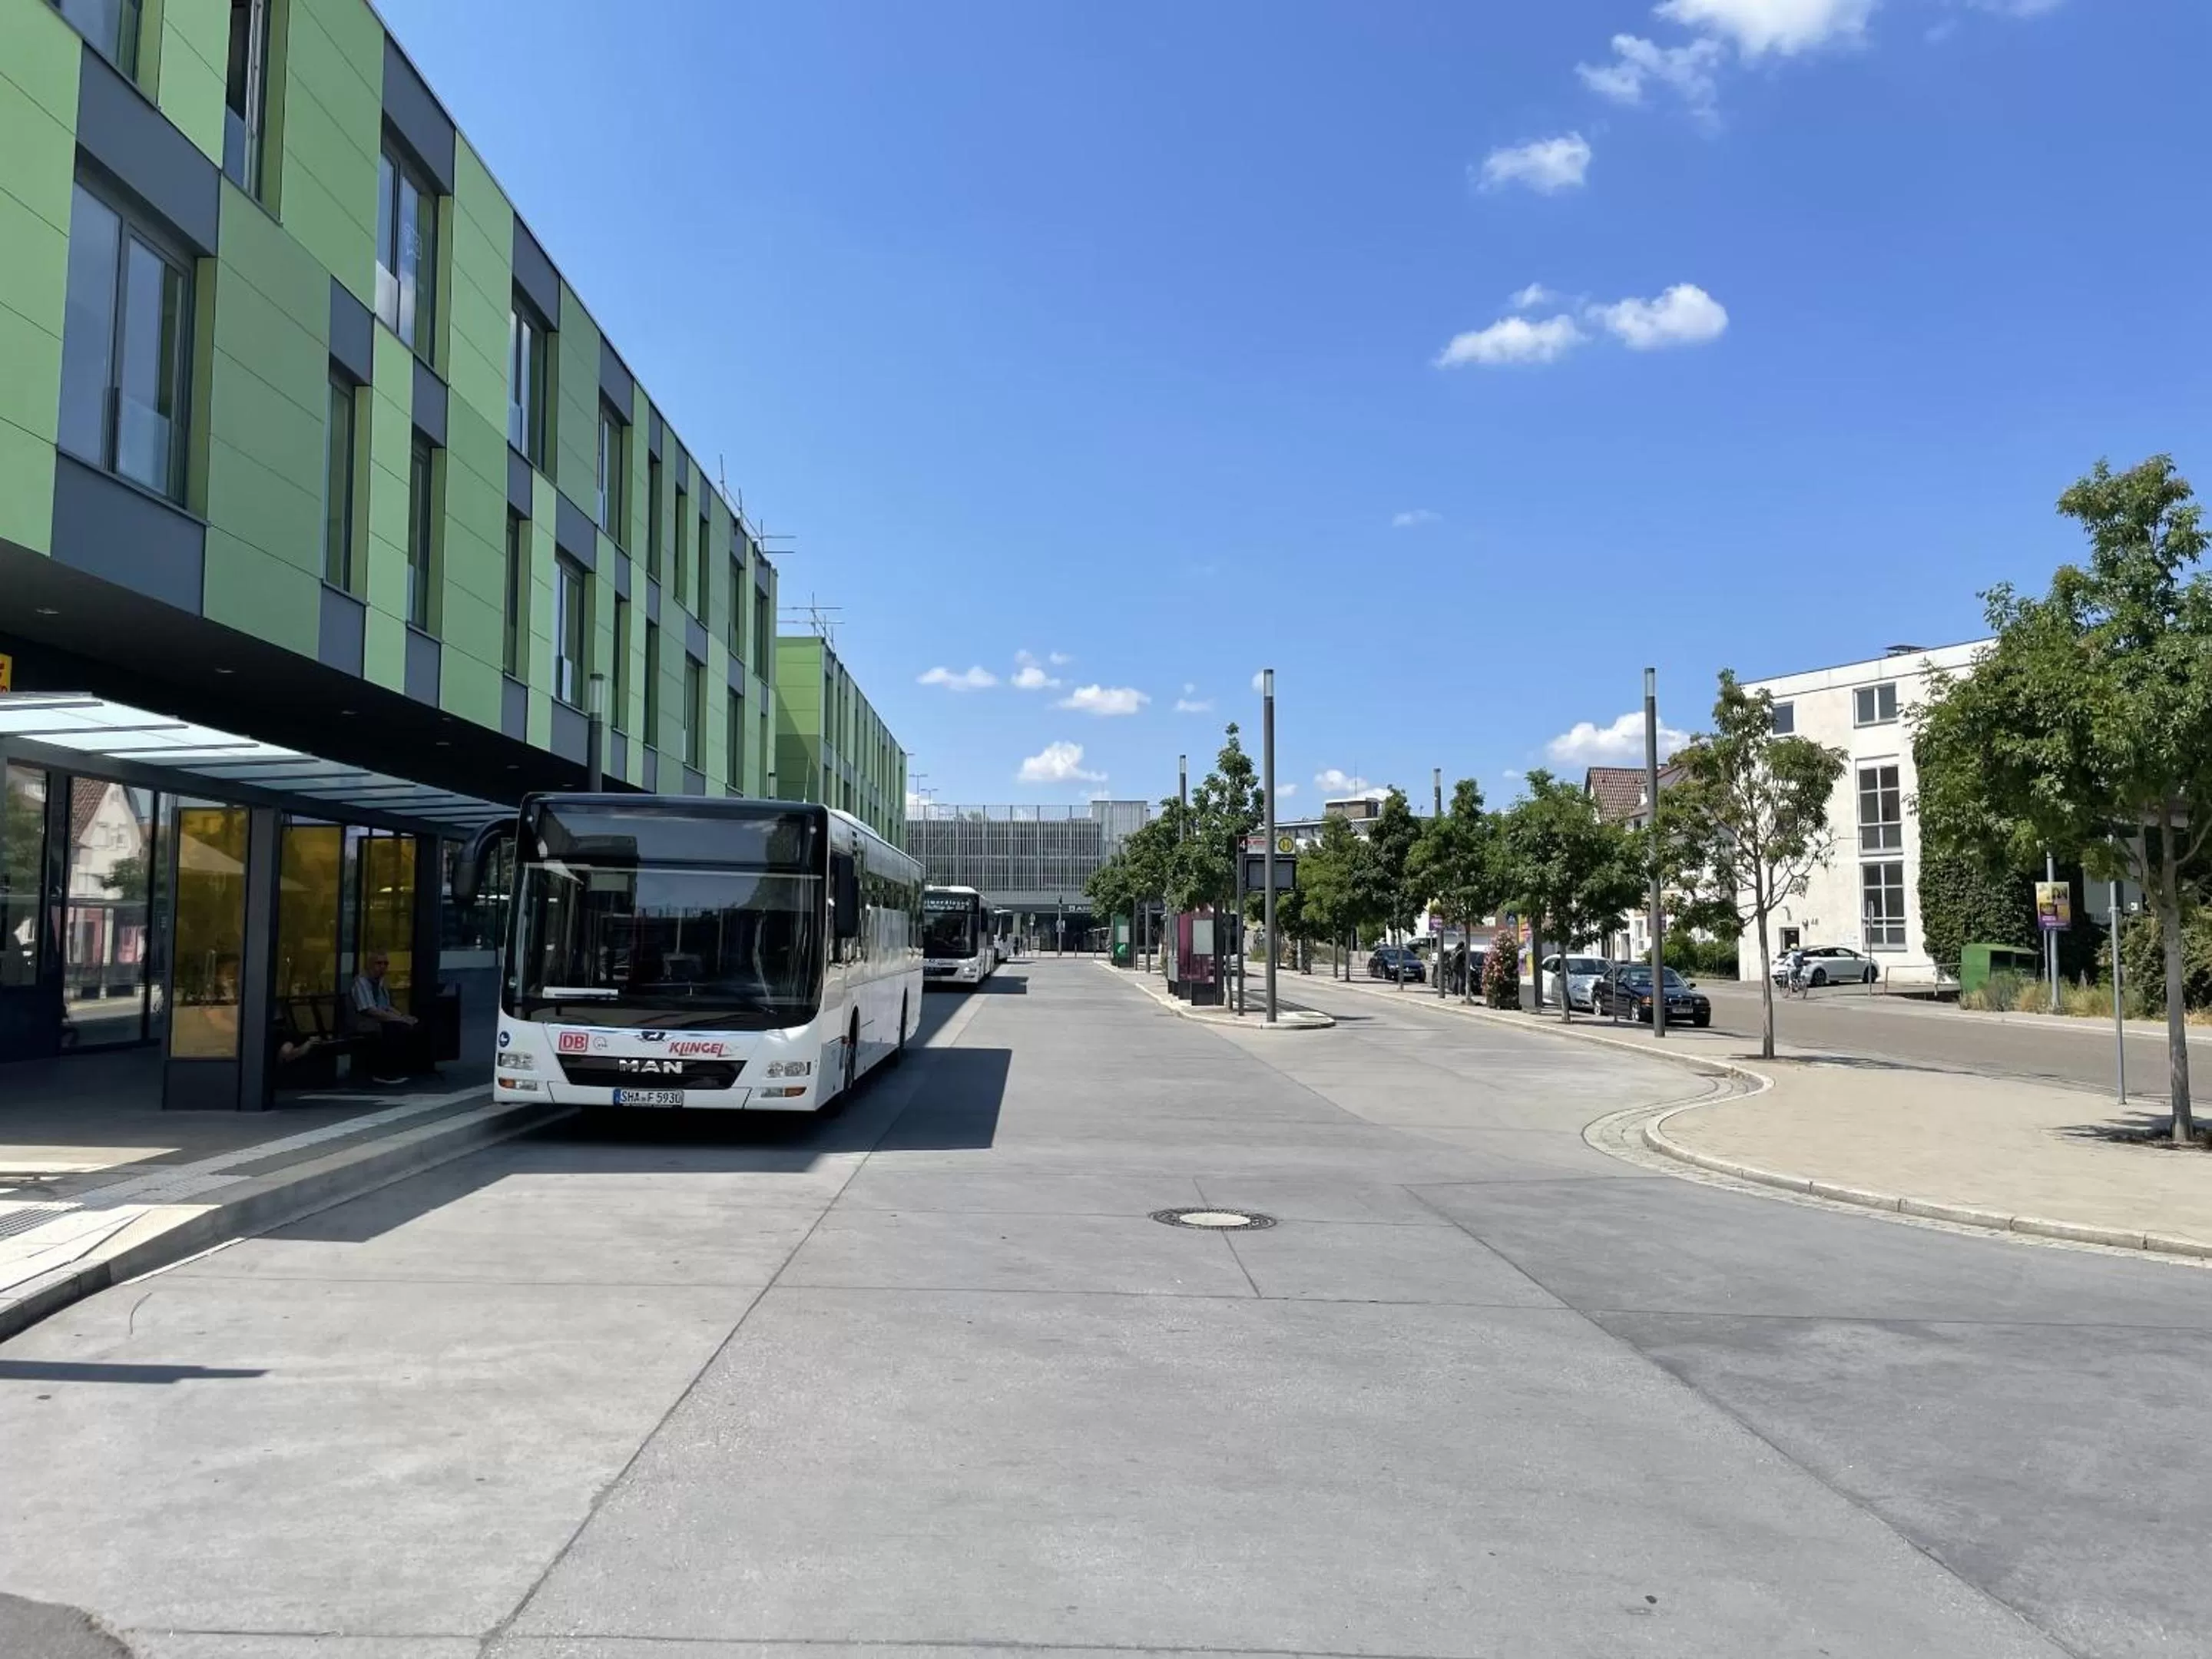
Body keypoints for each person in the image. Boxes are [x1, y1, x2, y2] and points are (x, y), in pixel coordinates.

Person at [349, 952, 424, 1084]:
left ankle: (404, 1067)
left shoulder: (381, 983)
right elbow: (370, 1010)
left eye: (385, 963)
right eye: (379, 963)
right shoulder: (361, 982)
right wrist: (399, 1019)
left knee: (413, 1024)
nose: (383, 967)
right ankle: (383, 1072)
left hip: (377, 1019)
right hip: (362, 1021)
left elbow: (386, 1006)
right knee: (394, 1027)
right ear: (369, 965)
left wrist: (403, 1016)